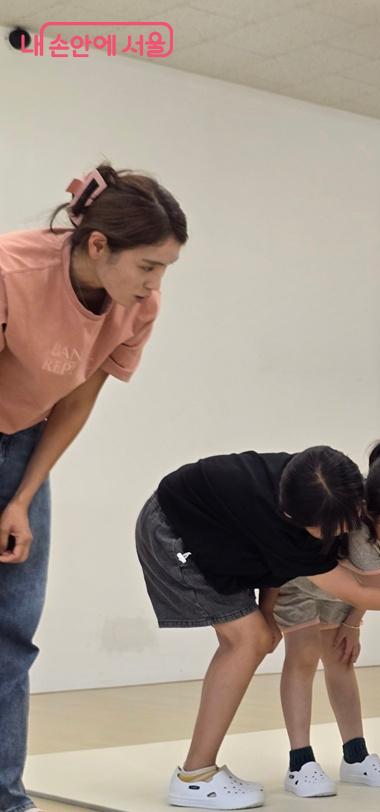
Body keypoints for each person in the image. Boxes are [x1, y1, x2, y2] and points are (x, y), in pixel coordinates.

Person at [135, 445, 380, 809]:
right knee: (248, 641)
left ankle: (350, 755)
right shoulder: (298, 531)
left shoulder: (335, 489)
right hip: (174, 528)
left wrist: (343, 620)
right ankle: (196, 776)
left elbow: (369, 578)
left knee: (263, 640)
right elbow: (360, 591)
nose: (332, 535)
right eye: (323, 530)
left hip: (215, 524)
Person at [0, 164, 186, 812]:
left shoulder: (138, 306)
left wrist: (22, 497)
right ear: (99, 246)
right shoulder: (11, 272)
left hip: (24, 439)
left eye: (166, 269)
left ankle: (7, 799)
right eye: (149, 266)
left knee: (12, 632)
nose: (155, 284)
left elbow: (76, 400)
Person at [276, 439, 380, 798]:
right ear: (370, 511)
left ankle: (355, 755)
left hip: (346, 590)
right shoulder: (361, 531)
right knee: (301, 657)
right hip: (300, 581)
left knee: (341, 660)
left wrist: (352, 622)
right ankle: (300, 762)